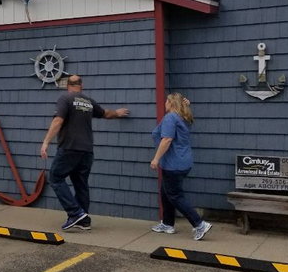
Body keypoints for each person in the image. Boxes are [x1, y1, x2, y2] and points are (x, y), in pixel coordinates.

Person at [40, 74, 129, 231]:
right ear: (81, 85)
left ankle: (75, 213)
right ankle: (84, 220)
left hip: (70, 148)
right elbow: (106, 114)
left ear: (68, 86)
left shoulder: (65, 98)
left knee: (55, 177)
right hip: (87, 151)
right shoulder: (88, 101)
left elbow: (58, 120)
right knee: (81, 184)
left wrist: (46, 142)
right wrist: (118, 112)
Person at [150, 93, 212, 241]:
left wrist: (156, 159)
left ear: (171, 104)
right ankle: (167, 224)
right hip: (182, 161)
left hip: (174, 164)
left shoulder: (171, 118)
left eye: (166, 101)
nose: (164, 103)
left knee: (175, 195)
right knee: (166, 192)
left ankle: (199, 224)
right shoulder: (183, 117)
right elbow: (186, 115)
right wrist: (186, 105)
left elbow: (166, 140)